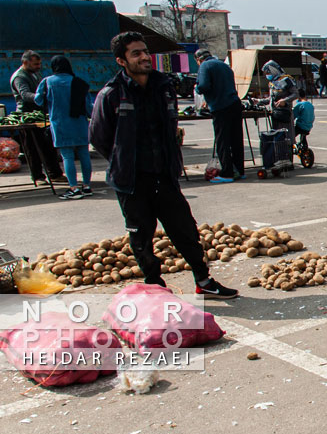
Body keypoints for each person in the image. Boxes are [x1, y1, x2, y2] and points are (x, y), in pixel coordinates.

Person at [89, 32, 238, 299]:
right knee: (141, 237)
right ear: (121, 61)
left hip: (164, 176)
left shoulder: (164, 86)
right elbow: (99, 136)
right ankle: (155, 285)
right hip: (131, 181)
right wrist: (123, 159)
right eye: (136, 53)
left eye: (145, 51)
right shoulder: (112, 94)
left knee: (185, 230)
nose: (145, 57)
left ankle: (203, 280)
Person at [33, 56, 93, 200]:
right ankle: (87, 186)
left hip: (60, 124)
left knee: (67, 156)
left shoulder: (47, 82)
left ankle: (73, 188)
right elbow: (89, 108)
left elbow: (38, 100)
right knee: (84, 154)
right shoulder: (79, 82)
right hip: (80, 124)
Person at [9, 50, 63, 182]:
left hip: (40, 115)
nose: (38, 66)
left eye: (39, 64)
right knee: (32, 148)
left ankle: (54, 174)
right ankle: (38, 176)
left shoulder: (35, 73)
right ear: (25, 62)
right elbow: (25, 95)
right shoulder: (19, 77)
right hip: (27, 115)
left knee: (48, 145)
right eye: (35, 64)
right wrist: (41, 97)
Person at [195, 48, 244, 182]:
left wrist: (197, 88)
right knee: (236, 139)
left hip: (221, 107)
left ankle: (227, 173)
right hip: (234, 104)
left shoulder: (205, 66)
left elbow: (204, 86)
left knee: (222, 140)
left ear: (199, 60)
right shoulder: (224, 65)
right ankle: (239, 170)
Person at [260, 60, 297, 133]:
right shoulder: (272, 83)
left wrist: (285, 100)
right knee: (277, 137)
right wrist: (258, 101)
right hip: (275, 114)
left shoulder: (286, 79)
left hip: (285, 114)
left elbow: (295, 94)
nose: (267, 75)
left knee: (287, 137)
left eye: (268, 72)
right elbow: (271, 99)